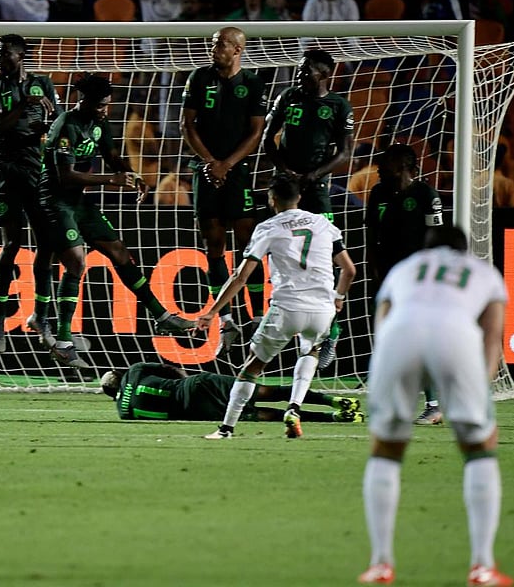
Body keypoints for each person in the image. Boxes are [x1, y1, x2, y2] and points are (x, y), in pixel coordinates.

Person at [358, 226, 513, 587]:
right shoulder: (484, 272)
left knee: (386, 447)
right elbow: (492, 334)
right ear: (464, 250)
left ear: (425, 249)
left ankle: (380, 564)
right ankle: (482, 566)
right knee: (479, 447)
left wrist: (388, 372)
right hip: (456, 335)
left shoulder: (405, 267)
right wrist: (480, 387)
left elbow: (383, 319)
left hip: (398, 335)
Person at [39, 73, 196, 368]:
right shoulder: (66, 126)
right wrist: (111, 179)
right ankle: (62, 342)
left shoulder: (99, 123)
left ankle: (161, 316)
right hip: (54, 201)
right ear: (83, 101)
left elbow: (112, 155)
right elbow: (65, 176)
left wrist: (132, 175)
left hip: (78, 202)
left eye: (107, 104)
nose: (105, 110)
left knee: (120, 252)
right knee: (76, 263)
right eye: (100, 105)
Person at [197, 175, 356, 440]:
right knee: (311, 350)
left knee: (252, 367)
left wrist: (213, 311)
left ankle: (226, 429)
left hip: (287, 307)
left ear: (272, 199)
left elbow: (241, 277)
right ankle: (294, 408)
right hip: (322, 309)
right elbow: (349, 270)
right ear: (299, 197)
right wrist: (338, 296)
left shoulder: (268, 228)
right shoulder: (323, 223)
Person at [262, 48, 354, 369]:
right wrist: (285, 171)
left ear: (325, 74)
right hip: (286, 188)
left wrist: (314, 175)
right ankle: (279, 315)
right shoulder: (288, 97)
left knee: (329, 257)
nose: (300, 74)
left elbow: (344, 152)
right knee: (280, 251)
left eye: (307, 70)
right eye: (299, 69)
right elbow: (267, 140)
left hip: (315, 189)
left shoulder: (339, 106)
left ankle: (332, 330)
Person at [181, 26, 268, 357]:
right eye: (213, 44)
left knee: (249, 245)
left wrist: (226, 164)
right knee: (213, 245)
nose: (213, 49)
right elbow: (187, 125)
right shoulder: (199, 78)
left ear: (237, 50)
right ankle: (227, 320)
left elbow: (256, 131)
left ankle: (257, 316)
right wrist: (210, 163)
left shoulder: (253, 83)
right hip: (205, 170)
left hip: (237, 172)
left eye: (220, 44)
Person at [0, 33, 62, 353]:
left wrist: (48, 126)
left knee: (47, 243)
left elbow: (56, 122)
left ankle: (41, 315)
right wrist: (23, 104)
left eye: (5, 53)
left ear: (21, 55)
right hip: (5, 167)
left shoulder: (44, 83)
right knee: (12, 242)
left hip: (36, 168)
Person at [365, 143, 444, 425]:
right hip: (389, 278)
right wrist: (375, 271)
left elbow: (436, 239)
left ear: (401, 166)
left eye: (384, 163)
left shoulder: (426, 195)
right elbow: (371, 234)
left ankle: (433, 404)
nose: (378, 168)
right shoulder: (378, 193)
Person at [100, 361, 362, 422]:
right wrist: (187, 381)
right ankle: (332, 400)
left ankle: (335, 418)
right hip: (197, 386)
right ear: (120, 376)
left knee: (264, 415)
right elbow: (171, 370)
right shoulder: (134, 371)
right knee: (267, 392)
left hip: (197, 411)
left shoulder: (124, 413)